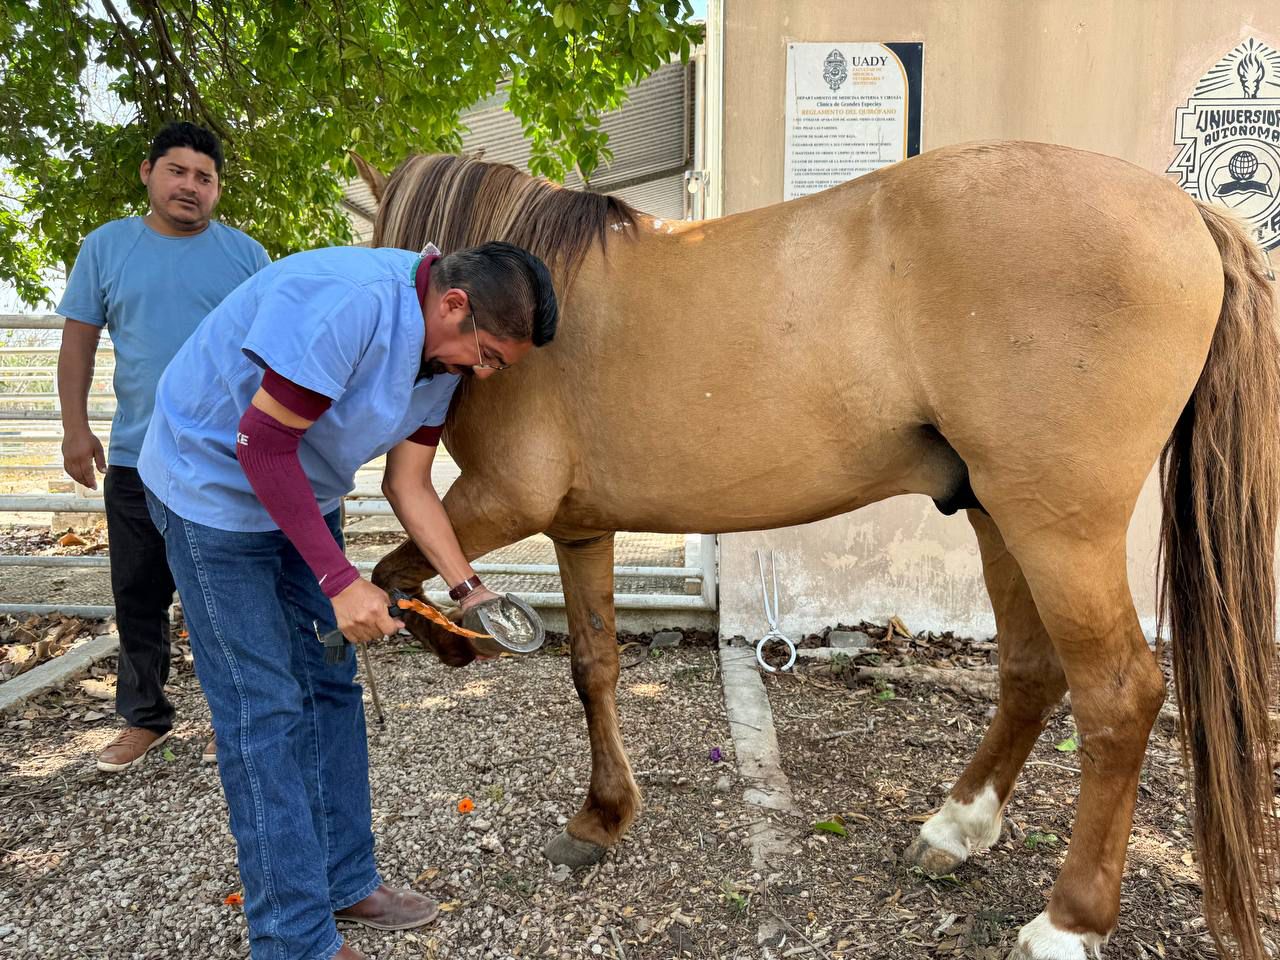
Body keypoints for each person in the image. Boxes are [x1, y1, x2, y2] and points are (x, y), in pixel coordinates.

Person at [136, 239, 558, 960]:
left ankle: (343, 880)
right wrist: (339, 581)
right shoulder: (350, 304)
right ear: (453, 304)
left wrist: (469, 589)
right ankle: (293, 940)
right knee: (262, 707)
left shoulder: (440, 357)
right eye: (485, 355)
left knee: (330, 683)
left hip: (300, 489)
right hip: (210, 488)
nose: (483, 373)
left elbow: (410, 485)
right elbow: (259, 444)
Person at [56, 121, 271, 772]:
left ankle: (236, 719)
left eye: (204, 178)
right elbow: (79, 342)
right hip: (135, 455)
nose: (190, 186)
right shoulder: (107, 248)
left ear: (217, 191)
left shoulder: (246, 256)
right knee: (138, 594)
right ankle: (145, 718)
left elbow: (273, 353)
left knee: (231, 594)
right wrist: (74, 426)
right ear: (148, 173)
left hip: (221, 462)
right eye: (177, 171)